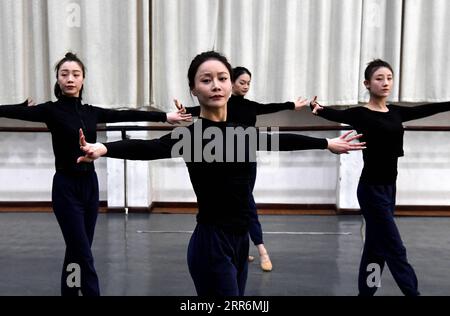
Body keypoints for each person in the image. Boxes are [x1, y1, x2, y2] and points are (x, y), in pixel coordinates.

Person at [77, 50, 365, 296]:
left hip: (240, 242)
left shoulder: (241, 133)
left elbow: (280, 140)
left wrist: (326, 143)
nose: (216, 85)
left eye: (222, 78)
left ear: (230, 85)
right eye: (206, 80)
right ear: (193, 89)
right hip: (211, 243)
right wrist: (104, 148)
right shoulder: (191, 136)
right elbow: (149, 147)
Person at [0, 52, 191, 296]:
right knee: (84, 255)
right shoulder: (50, 111)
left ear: (83, 80)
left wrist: (164, 117)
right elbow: (4, 111)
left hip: (89, 186)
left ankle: (69, 292)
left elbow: (126, 114)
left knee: (77, 250)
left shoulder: (92, 112)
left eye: (75, 74)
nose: (70, 78)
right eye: (64, 74)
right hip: (65, 188)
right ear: (57, 80)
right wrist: (18, 107)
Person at [310, 59, 450, 296]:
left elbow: (426, 109)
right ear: (367, 83)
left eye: (389, 78)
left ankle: (366, 293)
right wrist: (315, 107)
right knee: (395, 248)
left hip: (389, 188)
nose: (385, 83)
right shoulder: (360, 114)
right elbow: (327, 112)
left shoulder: (396, 112)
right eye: (379, 78)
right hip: (371, 190)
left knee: (376, 248)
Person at [176, 66, 308, 272]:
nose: (245, 86)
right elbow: (196, 112)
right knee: (245, 204)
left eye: (248, 83)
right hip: (220, 163)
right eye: (241, 82)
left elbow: (270, 107)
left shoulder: (250, 106)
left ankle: (242, 244)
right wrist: (181, 113)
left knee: (243, 203)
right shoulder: (220, 105)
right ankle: (261, 249)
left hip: (246, 163)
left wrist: (292, 105)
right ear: (232, 84)